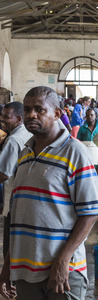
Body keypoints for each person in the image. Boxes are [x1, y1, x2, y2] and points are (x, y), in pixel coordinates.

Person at [0, 86, 98, 299]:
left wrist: (63, 260)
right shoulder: (25, 153)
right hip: (25, 270)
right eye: (27, 110)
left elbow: (91, 212)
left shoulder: (75, 152)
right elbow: (19, 216)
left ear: (57, 113)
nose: (31, 115)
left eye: (39, 109)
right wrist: (8, 266)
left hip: (62, 272)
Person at [0, 102, 33, 260]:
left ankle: (10, 282)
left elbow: (3, 174)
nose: (2, 119)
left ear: (19, 118)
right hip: (26, 201)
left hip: (13, 203)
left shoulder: (13, 140)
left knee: (9, 250)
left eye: (7, 117)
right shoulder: (28, 134)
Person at [77, 108, 98, 183]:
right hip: (87, 161)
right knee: (89, 183)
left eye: (91, 115)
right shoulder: (82, 129)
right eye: (87, 115)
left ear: (95, 116)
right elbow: (78, 143)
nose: (89, 117)